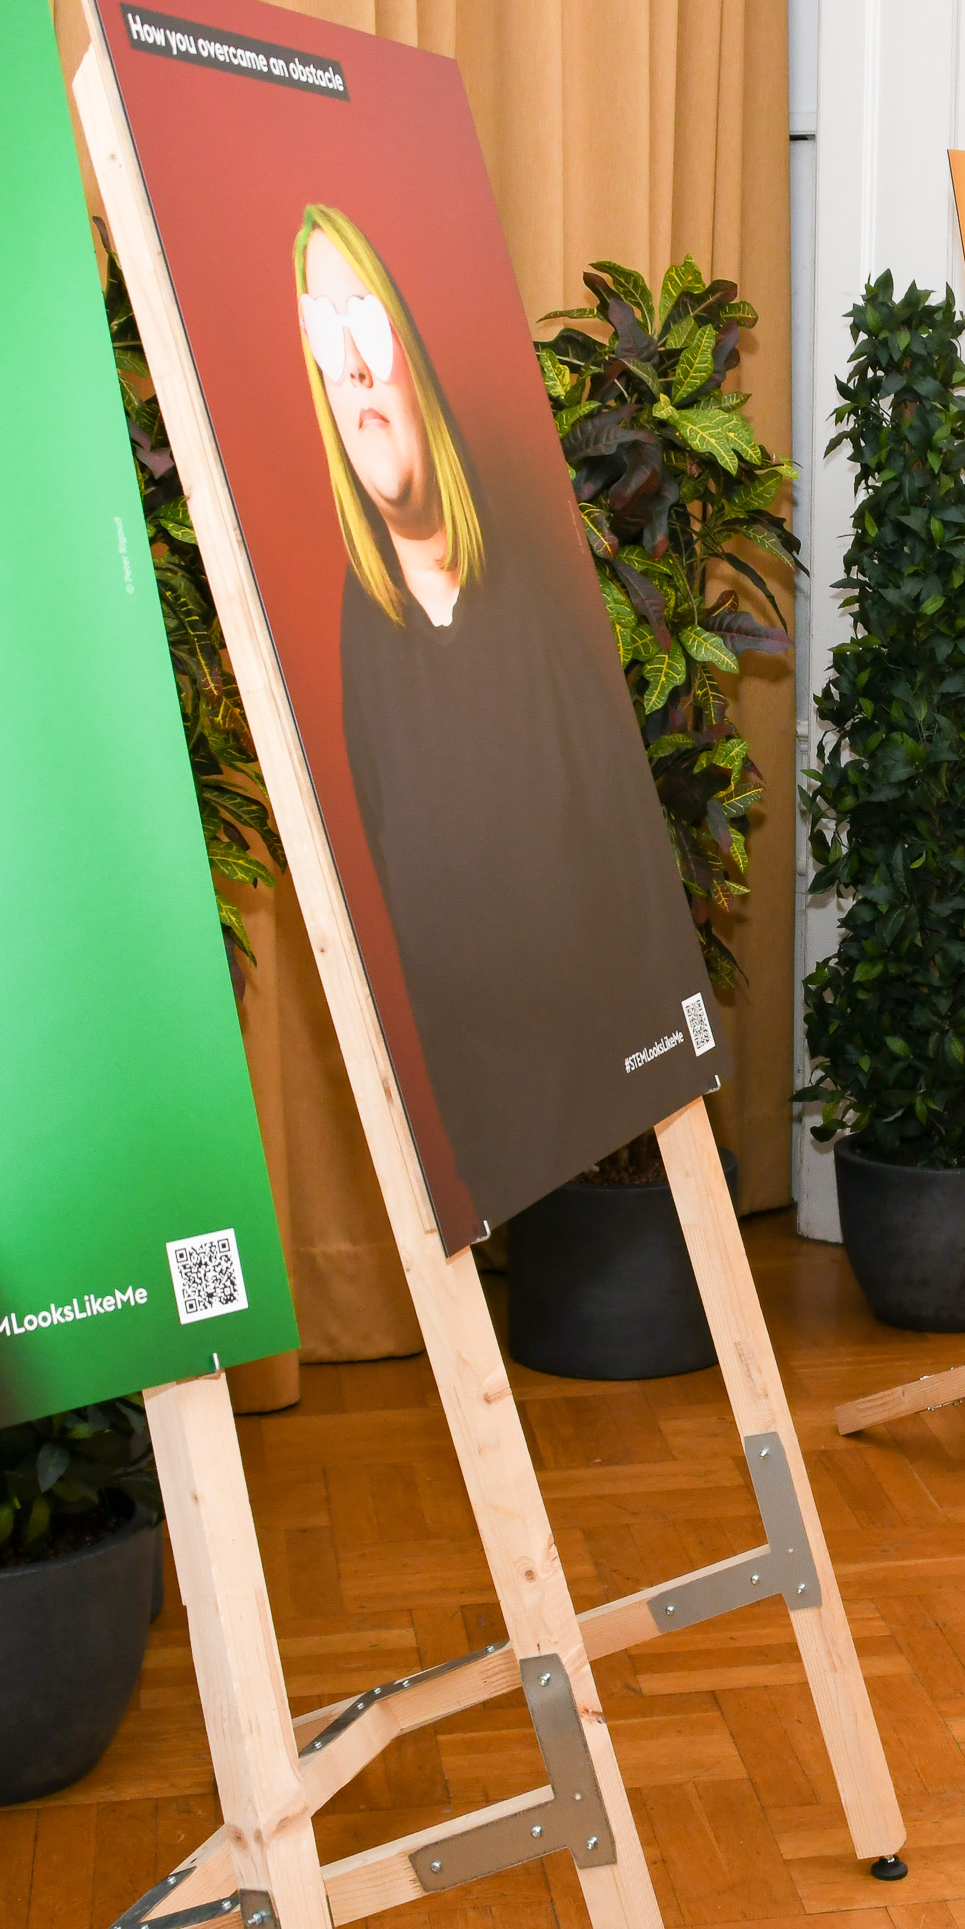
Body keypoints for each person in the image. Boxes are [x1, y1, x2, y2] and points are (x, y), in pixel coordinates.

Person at [299, 202, 699, 1232]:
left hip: (607, 1088)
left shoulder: (532, 579)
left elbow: (622, 868)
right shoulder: (362, 635)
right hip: (497, 1126)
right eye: (323, 337)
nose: (354, 367)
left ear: (410, 351)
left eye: (365, 323)